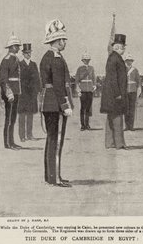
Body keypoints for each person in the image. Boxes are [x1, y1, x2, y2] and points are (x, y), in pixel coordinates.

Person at [39, 19, 74, 187]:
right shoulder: (56, 58)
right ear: (57, 40)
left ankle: (50, 176)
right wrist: (65, 105)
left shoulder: (46, 56)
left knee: (51, 140)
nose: (65, 42)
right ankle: (55, 178)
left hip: (48, 103)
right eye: (63, 39)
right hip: (56, 104)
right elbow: (59, 86)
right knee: (57, 140)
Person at [100, 34, 129, 149]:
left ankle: (110, 142)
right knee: (117, 118)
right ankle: (119, 143)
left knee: (111, 117)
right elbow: (113, 78)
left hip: (111, 95)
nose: (124, 49)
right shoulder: (115, 58)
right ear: (117, 47)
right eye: (123, 47)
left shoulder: (113, 58)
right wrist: (117, 94)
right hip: (115, 95)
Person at [0, 34, 23, 150]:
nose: (18, 48)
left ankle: (11, 142)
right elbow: (3, 80)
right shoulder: (6, 60)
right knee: (9, 119)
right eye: (17, 46)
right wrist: (9, 93)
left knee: (13, 119)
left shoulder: (15, 59)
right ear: (12, 47)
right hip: (10, 94)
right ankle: (7, 143)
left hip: (16, 91)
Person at [18, 43, 41, 142]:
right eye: (26, 53)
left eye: (29, 53)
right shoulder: (19, 64)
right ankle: (22, 136)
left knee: (30, 114)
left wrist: (38, 90)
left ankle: (30, 134)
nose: (28, 54)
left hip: (32, 93)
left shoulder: (34, 64)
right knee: (22, 115)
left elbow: (37, 78)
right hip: (22, 94)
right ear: (23, 54)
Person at [75, 52, 96, 131]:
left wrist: (94, 85)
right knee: (82, 108)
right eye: (85, 60)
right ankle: (82, 125)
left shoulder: (91, 68)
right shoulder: (80, 69)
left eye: (87, 60)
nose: (86, 61)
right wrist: (78, 90)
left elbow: (94, 78)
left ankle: (87, 124)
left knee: (88, 108)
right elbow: (77, 80)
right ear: (82, 60)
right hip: (83, 90)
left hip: (90, 89)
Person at [124, 53, 140, 131]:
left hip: (133, 90)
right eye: (127, 60)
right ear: (125, 61)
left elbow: (138, 81)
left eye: (130, 61)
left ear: (132, 61)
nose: (129, 62)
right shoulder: (122, 69)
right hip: (125, 91)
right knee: (126, 108)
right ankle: (127, 126)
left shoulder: (135, 70)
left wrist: (139, 89)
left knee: (132, 109)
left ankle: (131, 126)